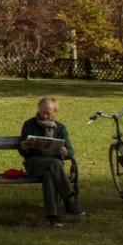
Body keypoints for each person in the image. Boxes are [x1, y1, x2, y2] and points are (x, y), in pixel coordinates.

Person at [19, 96, 85, 227]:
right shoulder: (29, 125)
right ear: (38, 109)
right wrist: (24, 146)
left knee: (49, 174)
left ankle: (52, 217)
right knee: (55, 163)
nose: (44, 116)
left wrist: (65, 152)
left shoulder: (60, 128)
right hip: (34, 163)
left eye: (48, 113)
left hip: (54, 168)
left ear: (55, 112)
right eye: (42, 112)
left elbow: (70, 152)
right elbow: (22, 151)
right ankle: (68, 201)